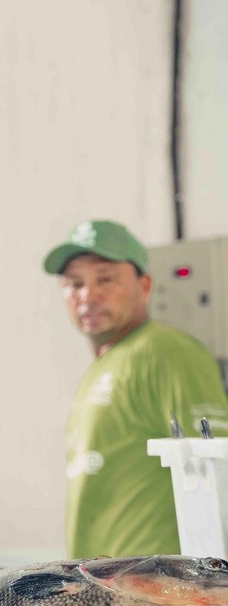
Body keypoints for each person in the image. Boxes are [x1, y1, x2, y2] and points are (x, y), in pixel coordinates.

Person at [44, 219, 228, 559]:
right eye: (74, 283)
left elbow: (218, 476)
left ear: (144, 286)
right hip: (107, 590)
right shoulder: (104, 364)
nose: (88, 295)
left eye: (106, 279)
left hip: (159, 594)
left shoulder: (167, 353)